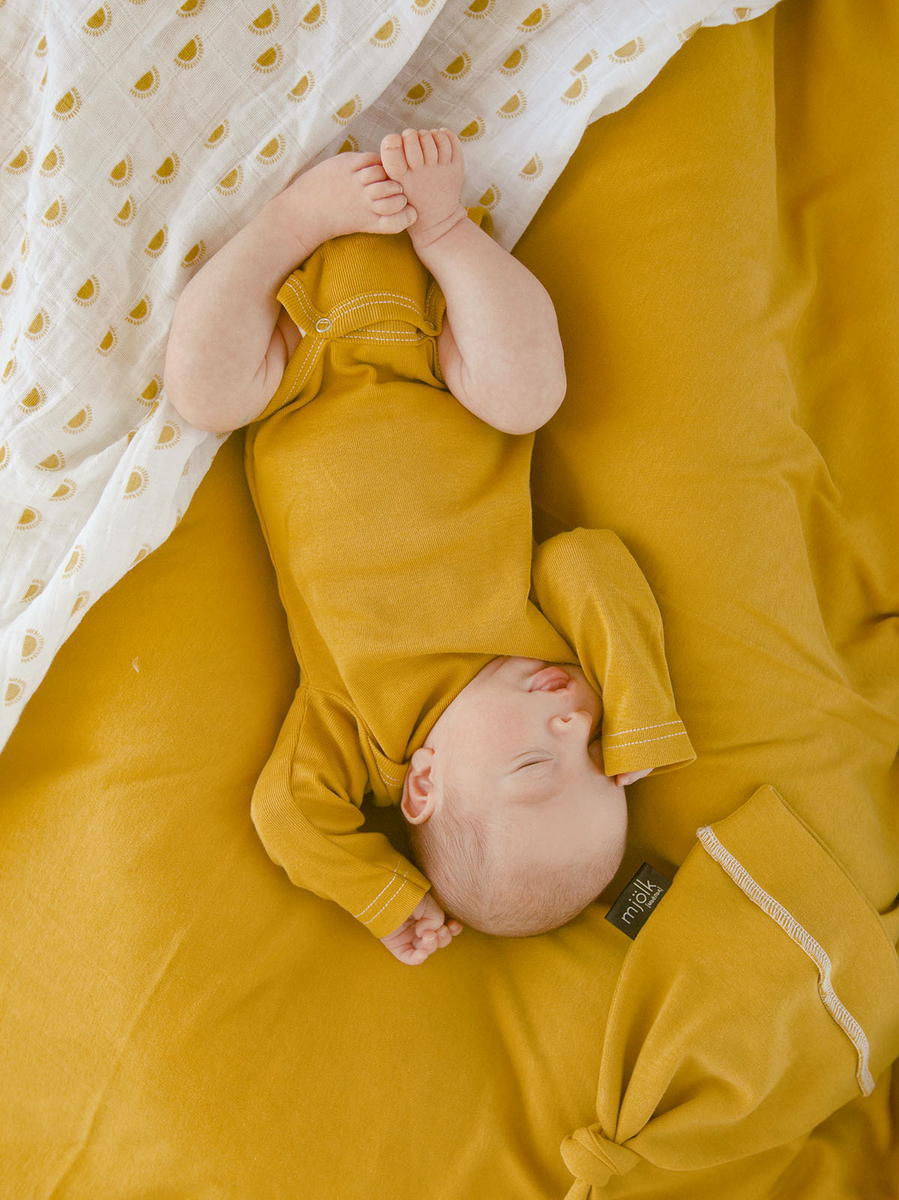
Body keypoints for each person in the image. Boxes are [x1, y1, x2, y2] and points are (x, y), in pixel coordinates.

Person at [164, 128, 695, 966]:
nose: (571, 722)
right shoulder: (536, 643)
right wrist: (638, 714)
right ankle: (448, 228)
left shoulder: (359, 731)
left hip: (293, 364)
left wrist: (380, 895)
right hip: (444, 354)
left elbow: (288, 815)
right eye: (594, 751)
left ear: (424, 783)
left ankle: (288, 223)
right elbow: (588, 562)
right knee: (531, 397)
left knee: (202, 392)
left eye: (536, 762)